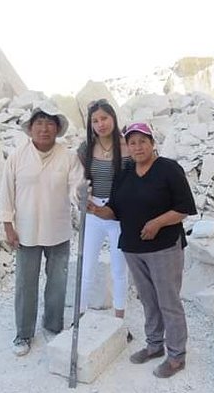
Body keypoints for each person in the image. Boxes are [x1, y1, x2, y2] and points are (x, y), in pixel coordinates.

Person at [90, 122, 197, 378]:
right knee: (148, 299)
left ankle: (176, 356)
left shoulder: (168, 169)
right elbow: (114, 210)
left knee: (168, 301)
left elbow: (184, 208)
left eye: (142, 141)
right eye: (132, 142)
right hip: (133, 247)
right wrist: (95, 209)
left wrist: (157, 222)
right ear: (127, 146)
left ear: (152, 143)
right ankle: (154, 345)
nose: (137, 147)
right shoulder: (124, 174)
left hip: (164, 247)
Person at [0, 102, 84, 357]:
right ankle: (23, 333)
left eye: (50, 124)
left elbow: (75, 187)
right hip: (26, 231)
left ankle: (53, 325)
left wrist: (82, 197)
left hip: (58, 230)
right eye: (39, 123)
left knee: (57, 282)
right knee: (26, 284)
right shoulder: (17, 157)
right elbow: (6, 193)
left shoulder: (68, 157)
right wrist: (8, 226)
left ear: (57, 129)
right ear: (31, 128)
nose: (44, 129)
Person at [77, 99, 129, 319]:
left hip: (120, 213)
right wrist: (83, 198)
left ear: (113, 118)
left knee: (119, 268)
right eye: (95, 120)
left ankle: (119, 318)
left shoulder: (127, 145)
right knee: (87, 265)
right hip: (93, 211)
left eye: (104, 118)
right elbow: (78, 178)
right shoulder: (86, 148)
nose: (100, 124)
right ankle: (79, 316)